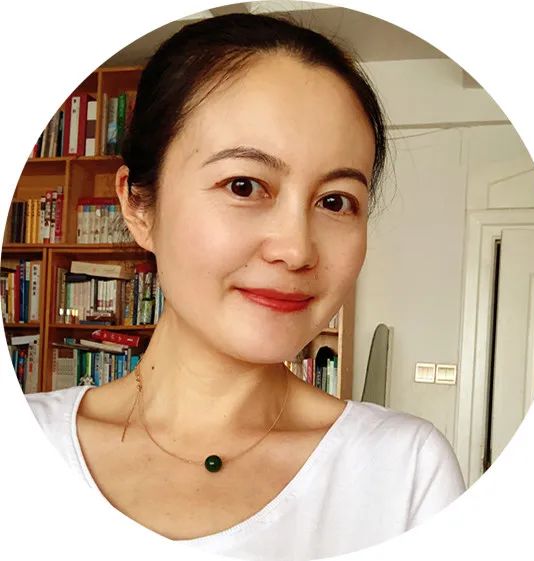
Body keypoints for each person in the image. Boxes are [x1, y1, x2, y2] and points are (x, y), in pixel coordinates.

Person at [26, 12, 465, 561]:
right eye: (243, 185)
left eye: (335, 201)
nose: (297, 250)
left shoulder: (405, 474)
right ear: (138, 205)